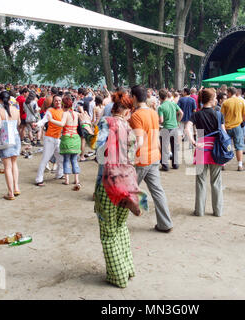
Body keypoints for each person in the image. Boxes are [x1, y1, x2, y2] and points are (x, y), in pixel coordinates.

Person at [79, 92, 145, 288]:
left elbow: (95, 145)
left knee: (108, 234)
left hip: (108, 185)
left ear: (114, 109)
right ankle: (127, 268)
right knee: (121, 227)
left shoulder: (109, 123)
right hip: (128, 184)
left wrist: (84, 125)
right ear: (127, 111)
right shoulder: (129, 128)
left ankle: (118, 277)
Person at [130, 85, 173, 233]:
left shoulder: (136, 116)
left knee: (127, 190)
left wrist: (129, 157)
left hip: (142, 159)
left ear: (134, 97)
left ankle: (117, 222)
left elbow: (139, 141)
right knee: (158, 192)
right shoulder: (153, 113)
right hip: (154, 156)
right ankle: (165, 223)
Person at [185, 88, 224, 217]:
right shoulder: (218, 114)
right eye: (215, 98)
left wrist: (192, 140)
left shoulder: (196, 114)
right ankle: (218, 211)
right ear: (212, 99)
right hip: (216, 150)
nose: (216, 100)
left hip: (201, 147)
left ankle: (199, 210)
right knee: (216, 181)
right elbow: (223, 133)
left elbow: (187, 127)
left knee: (200, 181)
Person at [47, 95, 81, 189]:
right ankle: (77, 180)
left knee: (66, 159)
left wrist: (51, 120)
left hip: (67, 138)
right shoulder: (76, 113)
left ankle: (67, 180)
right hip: (76, 138)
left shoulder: (65, 114)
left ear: (63, 105)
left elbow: (62, 124)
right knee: (74, 160)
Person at [0, 91, 21, 200]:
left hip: (5, 138)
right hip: (16, 137)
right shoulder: (16, 110)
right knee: (14, 163)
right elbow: (18, 123)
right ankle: (16, 187)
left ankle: (10, 193)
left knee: (7, 167)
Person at [33, 95, 64, 186]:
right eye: (56, 101)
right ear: (53, 102)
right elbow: (44, 120)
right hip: (50, 138)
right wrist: (37, 124)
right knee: (45, 159)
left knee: (60, 158)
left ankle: (59, 174)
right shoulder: (50, 111)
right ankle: (39, 179)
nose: (58, 102)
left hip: (58, 138)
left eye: (59, 100)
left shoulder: (63, 111)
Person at [221, 87, 245, 171]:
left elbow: (221, 116)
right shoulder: (241, 101)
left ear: (229, 93)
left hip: (226, 127)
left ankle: (223, 164)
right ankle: (240, 165)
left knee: (225, 145)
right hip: (238, 127)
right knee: (239, 146)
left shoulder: (225, 102)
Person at [158, 89, 183, 171]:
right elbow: (181, 113)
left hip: (165, 128)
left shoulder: (161, 107)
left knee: (164, 148)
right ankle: (175, 164)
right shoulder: (173, 104)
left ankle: (165, 166)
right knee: (175, 147)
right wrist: (178, 122)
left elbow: (161, 120)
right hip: (175, 127)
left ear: (160, 97)